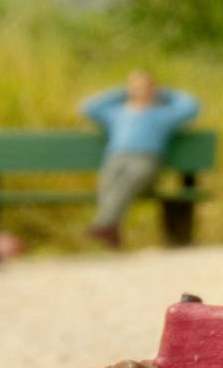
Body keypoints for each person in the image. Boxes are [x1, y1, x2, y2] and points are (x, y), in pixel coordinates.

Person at [77, 71, 202, 248]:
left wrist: (164, 93)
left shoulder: (162, 114)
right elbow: (88, 108)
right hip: (116, 157)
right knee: (107, 184)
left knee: (128, 181)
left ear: (152, 90)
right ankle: (108, 228)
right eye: (134, 87)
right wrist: (120, 92)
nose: (139, 91)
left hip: (146, 159)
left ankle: (104, 224)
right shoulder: (117, 112)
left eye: (143, 87)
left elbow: (191, 106)